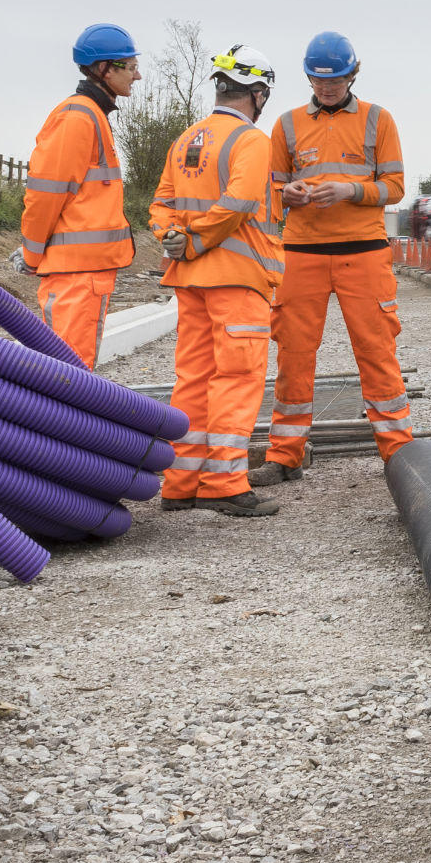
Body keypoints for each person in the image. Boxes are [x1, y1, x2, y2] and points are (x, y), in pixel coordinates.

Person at [255, 31, 410, 482]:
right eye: (319, 82)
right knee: (293, 354)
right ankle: (284, 453)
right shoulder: (285, 126)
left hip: (363, 253)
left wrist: (350, 191)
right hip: (301, 254)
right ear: (307, 78)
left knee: (376, 349)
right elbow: (269, 192)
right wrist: (290, 195)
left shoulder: (379, 121)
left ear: (353, 74)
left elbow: (395, 188)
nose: (327, 89)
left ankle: (397, 451)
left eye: (336, 81)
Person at [146, 45, 285, 516]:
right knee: (237, 378)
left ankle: (181, 482)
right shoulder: (251, 140)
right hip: (236, 279)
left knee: (193, 379)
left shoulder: (187, 138)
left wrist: (173, 237)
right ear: (259, 93)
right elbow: (240, 203)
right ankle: (224, 483)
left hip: (190, 280)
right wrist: (196, 241)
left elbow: (161, 202)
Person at [16, 25, 141, 363]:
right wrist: (31, 253)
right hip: (76, 276)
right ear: (105, 68)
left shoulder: (91, 116)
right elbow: (45, 195)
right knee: (67, 378)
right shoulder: (78, 118)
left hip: (84, 273)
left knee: (73, 375)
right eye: (130, 67)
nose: (138, 75)